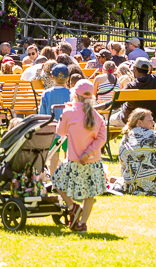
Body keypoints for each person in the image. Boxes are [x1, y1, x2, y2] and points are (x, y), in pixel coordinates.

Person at [53, 80, 107, 232]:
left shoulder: (69, 112)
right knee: (89, 194)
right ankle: (82, 223)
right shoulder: (96, 115)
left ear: (75, 95)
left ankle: (72, 206)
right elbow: (102, 138)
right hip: (92, 161)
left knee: (57, 181)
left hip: (74, 159)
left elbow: (60, 132)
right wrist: (89, 152)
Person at [117, 108, 156, 196]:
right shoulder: (152, 134)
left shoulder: (125, 138)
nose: (153, 123)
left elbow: (123, 164)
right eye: (150, 120)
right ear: (139, 122)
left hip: (133, 184)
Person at [113, 58, 156, 125]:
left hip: (129, 120)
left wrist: (102, 106)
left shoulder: (131, 86)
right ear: (149, 69)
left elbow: (115, 105)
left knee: (108, 122)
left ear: (135, 69)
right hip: (149, 120)